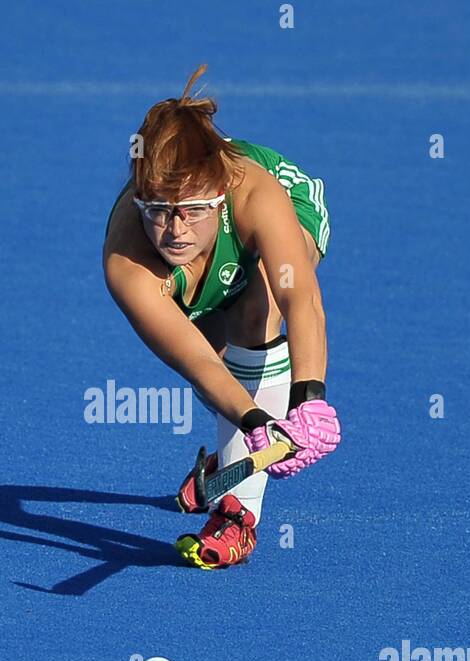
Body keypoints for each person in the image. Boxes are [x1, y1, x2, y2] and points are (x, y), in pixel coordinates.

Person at [102, 64, 342, 569]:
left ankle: (237, 516)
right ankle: (229, 459)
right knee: (217, 353)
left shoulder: (255, 193)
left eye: (191, 209)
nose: (174, 230)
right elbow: (199, 364)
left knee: (258, 309)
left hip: (288, 214)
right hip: (212, 295)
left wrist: (308, 400)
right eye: (159, 210)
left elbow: (303, 300)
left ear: (217, 194)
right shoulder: (127, 264)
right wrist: (257, 424)